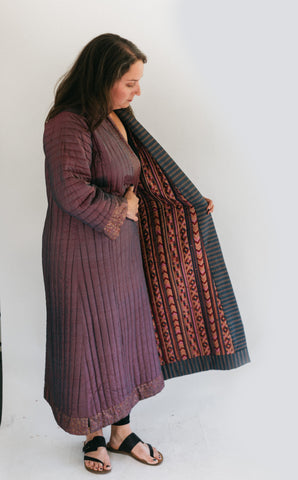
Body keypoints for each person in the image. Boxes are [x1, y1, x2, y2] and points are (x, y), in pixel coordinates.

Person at [42, 33, 249, 475]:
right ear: (103, 77)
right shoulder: (68, 122)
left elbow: (140, 176)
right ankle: (92, 436)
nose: (138, 91)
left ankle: (120, 431)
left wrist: (187, 203)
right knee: (88, 342)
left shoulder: (115, 115)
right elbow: (69, 190)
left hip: (118, 249)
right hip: (79, 255)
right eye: (131, 82)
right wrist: (123, 208)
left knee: (123, 335)